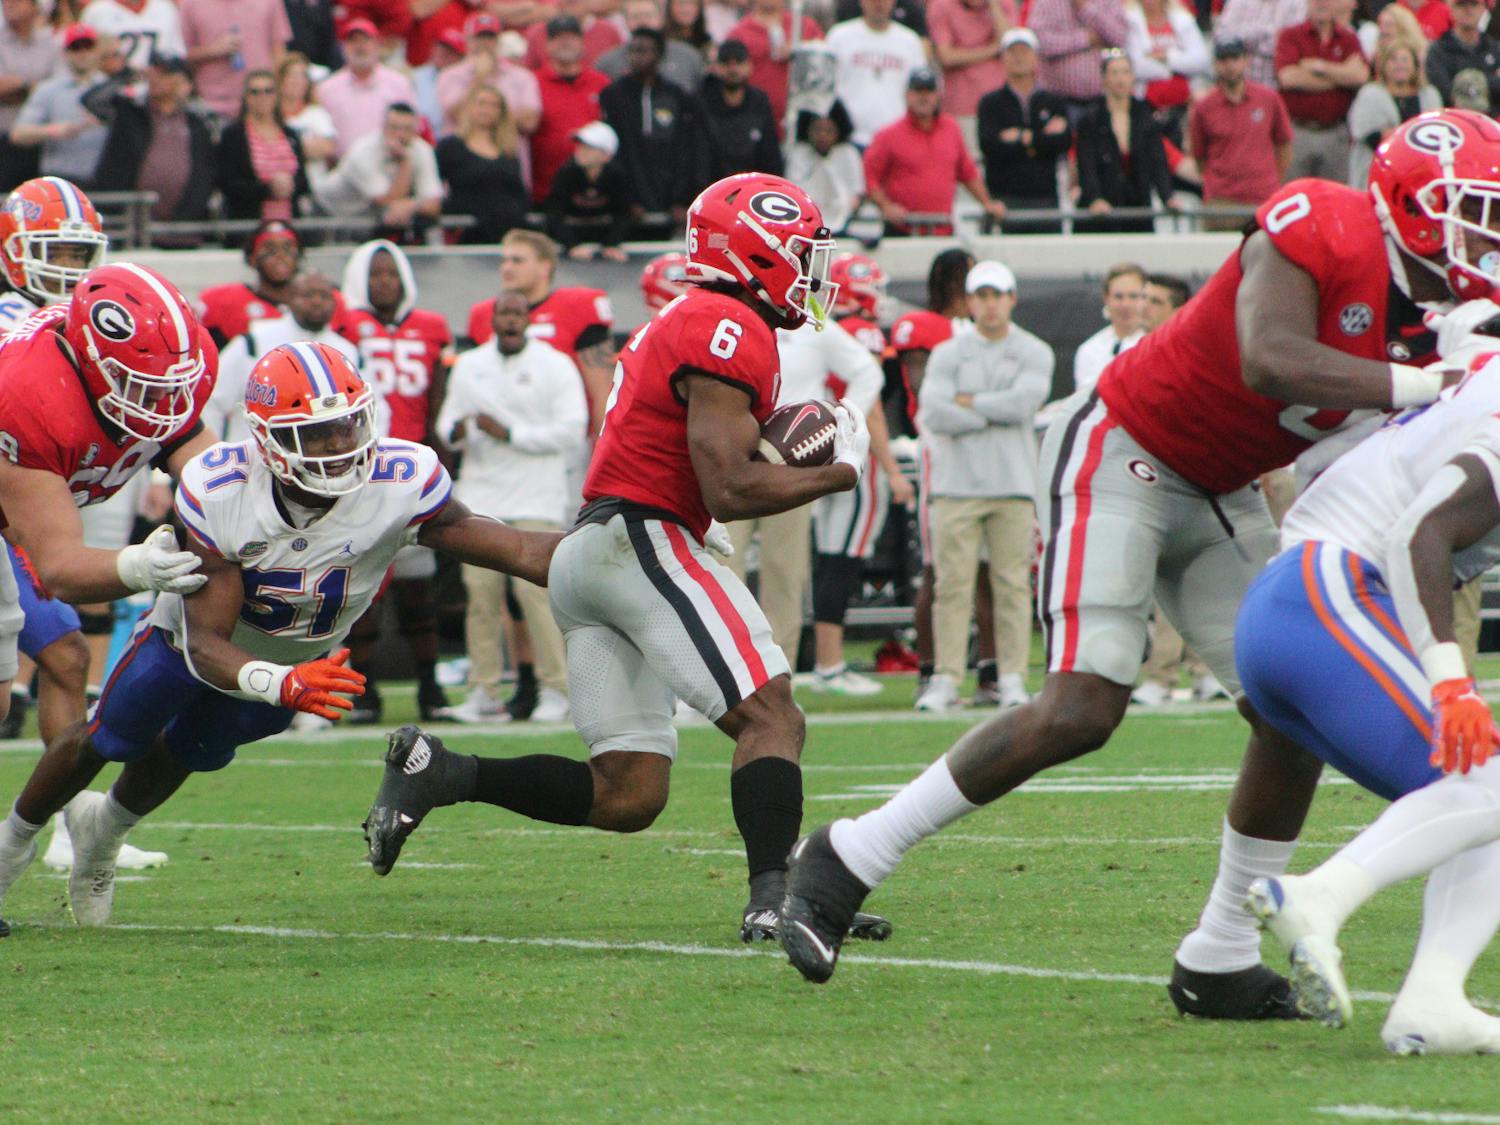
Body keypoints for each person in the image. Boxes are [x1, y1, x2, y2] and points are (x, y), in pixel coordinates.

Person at [774, 109, 1492, 990]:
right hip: (1126, 444)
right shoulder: (1324, 219)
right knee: (1083, 704)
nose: (1484, 232)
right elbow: (1268, 357)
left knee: (1287, 703)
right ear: (1407, 200)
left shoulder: (1444, 318)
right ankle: (847, 853)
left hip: (1224, 488)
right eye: (1470, 208)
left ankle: (1220, 952)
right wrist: (1425, 383)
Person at [361, 172, 892, 949]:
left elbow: (716, 459)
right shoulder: (726, 323)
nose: (815, 274)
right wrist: (839, 468)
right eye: (802, 255)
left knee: (628, 793)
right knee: (772, 714)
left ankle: (443, 771)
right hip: (647, 539)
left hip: (596, 550)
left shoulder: (696, 320)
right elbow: (730, 485)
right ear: (756, 255)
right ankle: (778, 899)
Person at [0, 342, 566, 932]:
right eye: (319, 434)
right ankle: (11, 845)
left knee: (192, 751)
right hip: (192, 649)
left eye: (348, 425)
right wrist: (281, 682)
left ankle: (103, 835)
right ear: (269, 441)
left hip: (300, 662)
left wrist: (601, 552)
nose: (343, 446)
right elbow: (206, 645)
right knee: (110, 735)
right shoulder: (222, 490)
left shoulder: (402, 480)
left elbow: (517, 548)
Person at [1236, 330, 1500, 1052]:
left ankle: (1433, 1000)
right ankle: (1319, 896)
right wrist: (1450, 680)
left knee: (1476, 799)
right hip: (1324, 595)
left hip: (1307, 610)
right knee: (1488, 784)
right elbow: (1418, 533)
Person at [0, 262, 219, 936]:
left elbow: (213, 477)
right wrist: (140, 564)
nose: (159, 405)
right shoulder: (24, 392)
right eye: (140, 386)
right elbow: (61, 566)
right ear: (91, 363)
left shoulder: (157, 372)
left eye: (169, 387)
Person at [0, 178, 165, 873]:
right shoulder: (15, 322)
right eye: (53, 250)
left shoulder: (88, 324)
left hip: (20, 522)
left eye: (78, 251)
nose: (67, 267)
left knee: (66, 658)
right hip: (14, 514)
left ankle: (66, 826)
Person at [437, 291, 587, 724]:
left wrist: (511, 433)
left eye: (518, 313)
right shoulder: (469, 366)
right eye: (503, 313)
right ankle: (483, 693)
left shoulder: (555, 365)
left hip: (537, 495)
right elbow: (447, 428)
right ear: (492, 319)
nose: (511, 321)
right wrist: (462, 428)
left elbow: (572, 431)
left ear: (528, 319)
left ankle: (556, 689)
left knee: (533, 593)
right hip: (481, 497)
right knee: (480, 595)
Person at [914, 261, 1053, 714]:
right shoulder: (949, 352)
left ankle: (1012, 676)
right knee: (951, 585)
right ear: (969, 302)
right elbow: (933, 412)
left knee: (1012, 583)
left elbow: (1024, 404)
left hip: (1013, 482)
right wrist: (992, 409)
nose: (990, 305)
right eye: (982, 296)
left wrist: (968, 403)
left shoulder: (1034, 349)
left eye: (998, 295)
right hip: (956, 486)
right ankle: (946, 679)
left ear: (1011, 299)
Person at [336, 240, 453, 724]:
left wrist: (440, 452)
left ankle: (430, 687)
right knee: (364, 586)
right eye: (375, 274)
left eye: (392, 274)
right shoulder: (346, 326)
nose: (384, 283)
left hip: (416, 467)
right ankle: (365, 690)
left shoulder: (431, 327)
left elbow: (441, 394)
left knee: (417, 586)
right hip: (360, 471)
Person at [807, 253, 915, 697]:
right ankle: (829, 664)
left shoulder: (821, 329)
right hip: (853, 459)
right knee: (844, 558)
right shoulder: (860, 333)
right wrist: (891, 470)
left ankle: (823, 661)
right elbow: (869, 408)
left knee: (829, 557)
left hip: (816, 453)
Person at [205, 270, 360, 443]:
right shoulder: (253, 342)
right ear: (289, 299)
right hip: (254, 460)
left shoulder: (348, 352)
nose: (317, 301)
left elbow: (372, 409)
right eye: (308, 295)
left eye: (324, 296)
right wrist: (212, 450)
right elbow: (213, 401)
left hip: (328, 459)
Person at [864, 68, 1008, 236]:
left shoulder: (951, 128)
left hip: (943, 229)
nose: (923, 97)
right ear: (907, 95)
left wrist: (987, 203)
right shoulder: (888, 135)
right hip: (902, 230)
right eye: (918, 91)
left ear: (938, 96)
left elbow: (967, 173)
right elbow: (870, 177)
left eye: (929, 91)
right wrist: (886, 206)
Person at [86, 53, 216, 228]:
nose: (156, 79)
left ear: (183, 82)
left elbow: (204, 173)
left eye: (164, 75)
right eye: (153, 73)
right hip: (129, 222)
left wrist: (189, 212)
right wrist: (128, 75)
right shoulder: (131, 112)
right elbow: (92, 101)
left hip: (182, 227)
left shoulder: (198, 123)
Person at [600, 27, 699, 235]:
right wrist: (627, 198)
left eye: (645, 50)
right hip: (630, 201)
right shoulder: (613, 96)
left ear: (659, 55)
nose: (638, 57)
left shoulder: (676, 96)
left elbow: (686, 150)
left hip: (669, 194)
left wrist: (681, 199)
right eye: (634, 50)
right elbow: (614, 152)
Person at [977, 28, 1073, 234]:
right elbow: (990, 145)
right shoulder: (990, 103)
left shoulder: (1053, 101)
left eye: (1024, 51)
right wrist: (1040, 138)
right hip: (1004, 198)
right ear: (1003, 58)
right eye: (1012, 52)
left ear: (1036, 57)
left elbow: (1062, 141)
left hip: (1045, 197)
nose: (1018, 57)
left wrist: (1021, 137)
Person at [1076, 51, 1183, 233]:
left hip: (1137, 205)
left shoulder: (1144, 115)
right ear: (1104, 79)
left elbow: (1157, 160)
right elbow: (1086, 164)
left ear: (1132, 77)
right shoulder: (1091, 119)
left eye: (1125, 72)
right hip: (1102, 210)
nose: (1120, 79)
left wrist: (1167, 196)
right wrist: (1094, 198)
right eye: (1114, 73)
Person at [1188, 36, 1293, 219]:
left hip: (1263, 198)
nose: (1230, 66)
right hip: (1221, 201)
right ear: (1215, 64)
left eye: (1235, 59)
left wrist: (1268, 180)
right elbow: (1199, 157)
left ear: (1245, 61)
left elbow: (1284, 145)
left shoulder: (1268, 99)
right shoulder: (1204, 107)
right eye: (1223, 60)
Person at [316, 102, 443, 244]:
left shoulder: (423, 150)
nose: (400, 135)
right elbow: (388, 203)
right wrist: (406, 162)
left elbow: (434, 205)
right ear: (383, 128)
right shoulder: (363, 152)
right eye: (394, 128)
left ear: (415, 131)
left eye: (407, 129)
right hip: (328, 212)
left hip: (366, 220)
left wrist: (412, 205)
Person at [1275, 0, 1370, 183]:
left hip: (1335, 132)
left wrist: (1318, 67)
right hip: (1298, 131)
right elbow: (1288, 78)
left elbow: (1360, 76)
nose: (1322, 3)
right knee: (1294, 192)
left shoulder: (1348, 38)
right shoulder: (1291, 35)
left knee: (1336, 197)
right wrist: (1341, 75)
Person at [9, 25, 109, 189]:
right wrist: (53, 130)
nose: (82, 53)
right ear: (65, 52)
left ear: (97, 51)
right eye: (75, 48)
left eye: (88, 47)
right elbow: (18, 133)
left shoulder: (110, 89)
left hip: (102, 180)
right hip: (60, 179)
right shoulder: (49, 90)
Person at [530, 14, 611, 206]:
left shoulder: (601, 83)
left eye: (571, 36)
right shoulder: (532, 82)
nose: (565, 42)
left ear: (582, 42)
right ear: (547, 44)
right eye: (558, 37)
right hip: (546, 192)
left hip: (595, 193)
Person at [826, 0, 929, 147]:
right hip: (849, 139)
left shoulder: (910, 41)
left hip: (896, 140)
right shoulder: (839, 37)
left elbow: (919, 92)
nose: (879, 4)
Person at [215, 70, 311, 228]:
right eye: (255, 92)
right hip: (249, 223)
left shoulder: (291, 135)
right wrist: (267, 189)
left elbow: (304, 181)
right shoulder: (233, 136)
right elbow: (227, 182)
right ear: (246, 97)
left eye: (268, 91)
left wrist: (291, 186)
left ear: (277, 95)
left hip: (289, 224)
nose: (262, 97)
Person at [436, 84, 529, 244]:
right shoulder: (450, 146)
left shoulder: (509, 150)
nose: (487, 110)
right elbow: (434, 186)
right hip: (468, 229)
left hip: (508, 227)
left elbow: (519, 191)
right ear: (469, 107)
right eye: (482, 103)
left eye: (494, 105)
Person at [315, 18, 417, 157]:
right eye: (353, 41)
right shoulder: (327, 89)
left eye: (365, 40)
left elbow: (414, 127)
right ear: (344, 47)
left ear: (377, 44)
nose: (360, 46)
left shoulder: (399, 84)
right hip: (343, 169)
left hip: (389, 167)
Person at [196, 220, 304, 348]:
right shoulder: (222, 301)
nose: (280, 255)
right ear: (252, 258)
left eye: (287, 247)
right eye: (270, 248)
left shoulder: (322, 299)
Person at [1348, 41, 1441, 189]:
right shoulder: (1370, 94)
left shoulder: (1429, 95)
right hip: (1378, 172)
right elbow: (1371, 136)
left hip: (1419, 174)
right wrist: (1412, 137)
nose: (1399, 64)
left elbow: (1436, 135)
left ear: (1415, 65)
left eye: (1404, 60)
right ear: (1384, 66)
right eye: (1393, 59)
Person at [180, 0, 293, 120]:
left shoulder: (270, 2)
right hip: (212, 105)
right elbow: (182, 57)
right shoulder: (191, 4)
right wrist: (213, 50)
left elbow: (279, 53)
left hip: (260, 103)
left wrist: (277, 97)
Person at [436, 12, 542, 139]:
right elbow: (457, 113)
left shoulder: (521, 76)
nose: (485, 44)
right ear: (468, 41)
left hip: (508, 154)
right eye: (479, 38)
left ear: (498, 41)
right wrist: (480, 77)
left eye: (490, 38)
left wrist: (484, 117)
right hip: (463, 153)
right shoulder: (450, 75)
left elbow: (529, 122)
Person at [695, 37, 783, 184]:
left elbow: (770, 154)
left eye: (739, 62)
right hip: (712, 190)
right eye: (726, 63)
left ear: (749, 66)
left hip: (752, 188)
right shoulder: (701, 101)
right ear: (716, 66)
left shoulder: (760, 101)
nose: (733, 69)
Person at [545, 120, 632, 260]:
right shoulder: (566, 174)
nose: (580, 151)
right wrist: (572, 245)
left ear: (606, 155)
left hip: (603, 236)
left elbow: (623, 213)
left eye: (589, 147)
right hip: (571, 240)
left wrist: (611, 244)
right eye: (580, 146)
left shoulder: (618, 176)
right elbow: (554, 213)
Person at [728, 0, 824, 126]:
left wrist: (800, 50)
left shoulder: (804, 26)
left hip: (802, 121)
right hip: (755, 120)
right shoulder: (739, 33)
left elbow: (825, 67)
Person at [1124, 0, 1210, 141]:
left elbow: (1201, 60)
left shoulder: (1182, 18)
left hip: (1183, 105)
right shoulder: (1130, 20)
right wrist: (1175, 69)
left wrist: (1166, 57)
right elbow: (1136, 66)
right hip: (1146, 105)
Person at [0, 0, 61, 191]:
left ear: (35, 7)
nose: (9, 4)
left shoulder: (50, 44)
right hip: (3, 136)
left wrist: (19, 86)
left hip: (41, 141)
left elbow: (58, 90)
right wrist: (32, 85)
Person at [1028, 0, 1130, 113]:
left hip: (1101, 102)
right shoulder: (1047, 3)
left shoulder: (1109, 2)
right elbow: (1040, 43)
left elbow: (1120, 37)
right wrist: (1085, 38)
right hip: (1058, 101)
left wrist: (1086, 9)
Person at [926, 0, 1014, 122]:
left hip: (1002, 105)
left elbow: (1010, 45)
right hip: (962, 108)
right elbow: (946, 57)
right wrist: (994, 50)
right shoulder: (941, 5)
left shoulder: (1003, 3)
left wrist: (994, 6)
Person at [785, 101, 864, 234]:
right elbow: (794, 194)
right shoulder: (799, 154)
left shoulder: (847, 153)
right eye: (817, 129)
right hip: (806, 224)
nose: (822, 135)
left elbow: (856, 195)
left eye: (828, 130)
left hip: (843, 223)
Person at [596, 0, 708, 94]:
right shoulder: (608, 62)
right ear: (625, 21)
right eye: (635, 16)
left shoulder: (688, 56)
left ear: (660, 18)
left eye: (648, 15)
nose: (643, 21)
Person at [1070, 262, 1146, 398]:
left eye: (1133, 296)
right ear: (1106, 298)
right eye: (1118, 296)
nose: (1125, 304)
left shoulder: (1155, 345)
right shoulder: (1089, 349)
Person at [1217, 0, 1316, 89]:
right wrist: (1270, 32)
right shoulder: (1237, 2)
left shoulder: (1297, 3)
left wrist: (1248, 41)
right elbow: (1224, 39)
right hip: (1241, 86)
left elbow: (1290, 43)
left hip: (1281, 88)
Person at [1424, 0, 1500, 108]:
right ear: (1450, 9)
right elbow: (1443, 91)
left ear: (1484, 8)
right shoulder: (1438, 51)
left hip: (1492, 119)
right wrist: (1489, 80)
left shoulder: (1495, 49)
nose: (1468, 10)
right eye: (1461, 4)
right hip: (1453, 118)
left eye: (1474, 4)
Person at [275, 51, 338, 174]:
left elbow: (328, 147)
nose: (297, 81)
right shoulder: (271, 116)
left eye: (302, 76)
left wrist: (287, 149)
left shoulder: (317, 113)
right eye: (292, 75)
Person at [79, 0, 184, 73]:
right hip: (112, 85)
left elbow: (177, 52)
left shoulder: (165, 8)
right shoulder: (96, 11)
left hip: (157, 85)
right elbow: (84, 53)